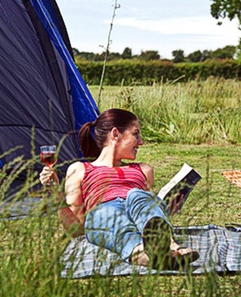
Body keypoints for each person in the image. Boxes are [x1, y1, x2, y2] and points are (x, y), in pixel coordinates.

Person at [39, 108, 198, 269]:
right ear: (115, 134)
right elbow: (76, 230)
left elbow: (146, 215)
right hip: (104, 215)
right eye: (135, 134)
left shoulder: (144, 169)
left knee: (137, 195)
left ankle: (171, 247)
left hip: (136, 212)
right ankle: (148, 256)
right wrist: (55, 193)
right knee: (109, 212)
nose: (141, 141)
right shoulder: (81, 169)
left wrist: (165, 210)